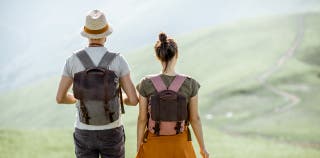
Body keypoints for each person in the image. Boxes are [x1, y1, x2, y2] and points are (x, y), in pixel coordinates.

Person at [56, 9, 138, 158]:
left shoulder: (73, 61)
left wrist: (82, 98)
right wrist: (119, 100)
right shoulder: (118, 61)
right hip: (112, 130)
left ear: (87, 35)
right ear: (105, 35)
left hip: (84, 130)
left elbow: (60, 98)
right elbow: (133, 100)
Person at [136, 32, 209, 158]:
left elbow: (142, 119)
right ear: (176, 55)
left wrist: (139, 147)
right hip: (180, 144)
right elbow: (194, 118)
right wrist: (203, 148)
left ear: (158, 56)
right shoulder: (190, 83)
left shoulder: (146, 83)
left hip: (154, 144)